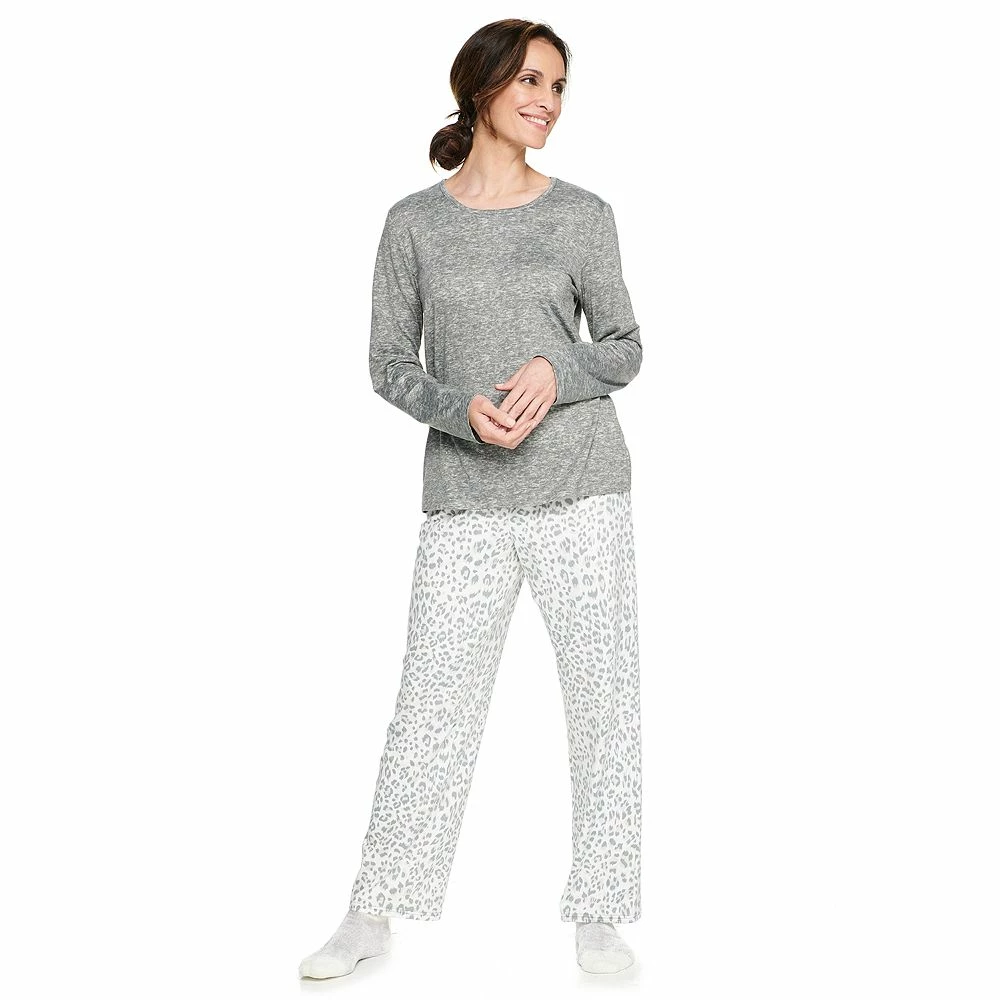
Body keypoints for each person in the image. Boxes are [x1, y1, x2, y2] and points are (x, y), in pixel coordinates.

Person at [299, 18, 643, 979]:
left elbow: (624, 346)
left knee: (604, 705)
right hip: (465, 497)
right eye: (530, 80)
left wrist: (556, 367)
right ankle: (372, 912)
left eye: (559, 86)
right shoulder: (413, 223)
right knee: (430, 709)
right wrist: (459, 410)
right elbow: (386, 363)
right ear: (482, 86)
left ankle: (601, 912)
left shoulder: (583, 215)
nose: (548, 101)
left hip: (583, 487)